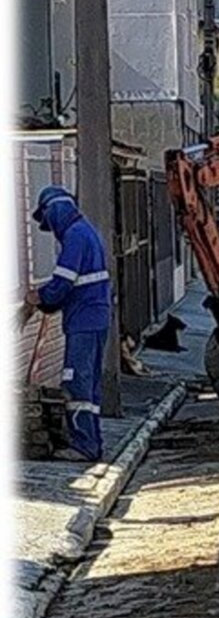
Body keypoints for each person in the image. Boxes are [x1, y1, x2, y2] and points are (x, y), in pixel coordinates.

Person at [24, 185, 111, 462]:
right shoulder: (87, 232)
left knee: (76, 381)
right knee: (89, 384)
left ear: (54, 212)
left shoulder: (75, 237)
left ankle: (84, 445)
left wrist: (40, 298)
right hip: (93, 317)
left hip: (84, 320)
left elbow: (62, 283)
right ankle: (92, 441)